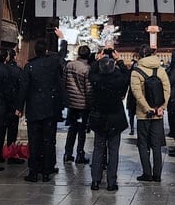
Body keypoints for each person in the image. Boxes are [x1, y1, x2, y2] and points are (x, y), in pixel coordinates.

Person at [20, 33, 65, 183]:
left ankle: (33, 171)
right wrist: (62, 38)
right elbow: (61, 54)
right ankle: (47, 171)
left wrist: (19, 107)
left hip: (34, 108)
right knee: (48, 140)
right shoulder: (52, 63)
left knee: (34, 141)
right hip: (50, 108)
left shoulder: (30, 66)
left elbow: (24, 88)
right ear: (46, 51)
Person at [86, 53, 129, 191]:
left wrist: (97, 60)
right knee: (114, 150)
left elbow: (90, 73)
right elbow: (127, 74)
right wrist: (119, 60)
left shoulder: (96, 80)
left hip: (99, 116)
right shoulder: (118, 81)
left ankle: (95, 180)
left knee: (98, 149)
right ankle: (111, 181)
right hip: (115, 117)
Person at [129, 46, 169, 183]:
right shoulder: (161, 70)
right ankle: (157, 174)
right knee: (156, 145)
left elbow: (137, 94)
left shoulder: (136, 71)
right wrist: (161, 107)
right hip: (158, 113)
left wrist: (147, 108)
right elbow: (166, 90)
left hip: (143, 114)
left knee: (143, 144)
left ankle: (147, 173)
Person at [62, 44, 92, 165]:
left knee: (72, 129)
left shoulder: (69, 65)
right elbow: (88, 88)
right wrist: (90, 104)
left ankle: (68, 153)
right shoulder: (86, 69)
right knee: (81, 130)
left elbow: (64, 81)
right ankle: (80, 153)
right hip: (82, 103)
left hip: (71, 102)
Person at [2, 47, 24, 164]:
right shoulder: (18, 71)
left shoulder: (1, 69)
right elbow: (21, 90)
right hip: (14, 104)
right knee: (12, 130)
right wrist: (20, 107)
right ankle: (11, 154)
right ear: (14, 57)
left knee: (0, 130)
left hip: (2, 104)